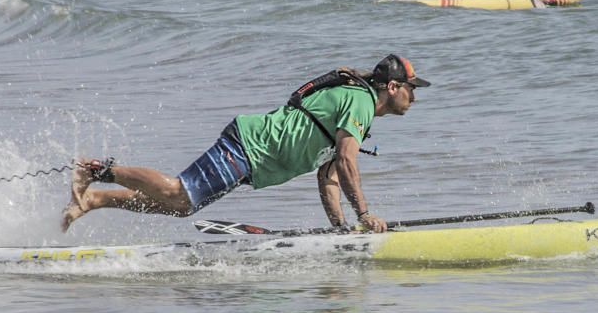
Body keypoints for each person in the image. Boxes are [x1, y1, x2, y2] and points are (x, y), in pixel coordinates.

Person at [61, 55, 432, 234]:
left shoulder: (359, 111)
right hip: (248, 148)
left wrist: (340, 228)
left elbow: (329, 177)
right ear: (394, 87)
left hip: (254, 158)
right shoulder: (361, 101)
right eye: (412, 90)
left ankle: (94, 199)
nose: (414, 98)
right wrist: (365, 214)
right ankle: (98, 171)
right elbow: (349, 164)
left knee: (179, 207)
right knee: (178, 192)